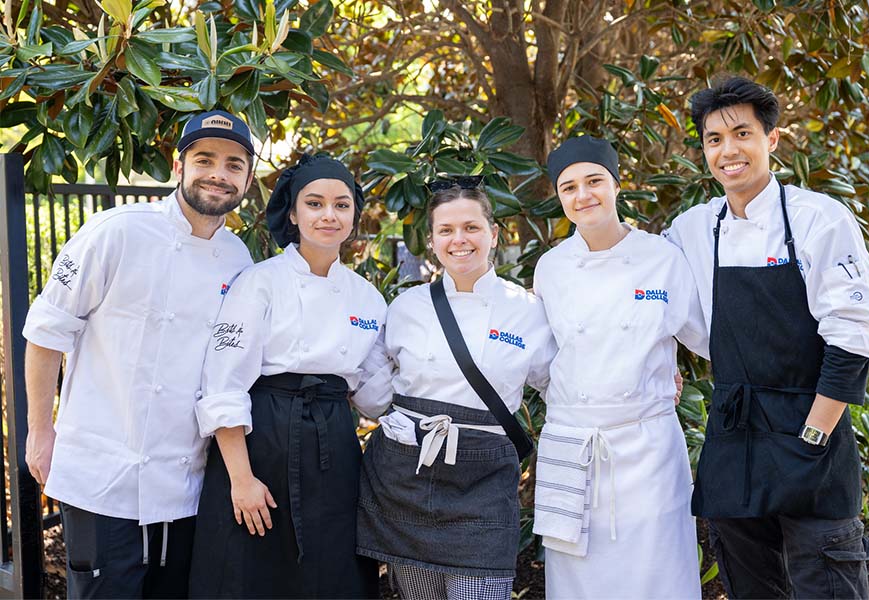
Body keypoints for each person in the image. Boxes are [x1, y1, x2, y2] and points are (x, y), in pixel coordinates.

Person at [664, 76, 869, 599]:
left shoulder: (817, 219)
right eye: (714, 139)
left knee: (827, 581)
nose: (728, 151)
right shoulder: (693, 228)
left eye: (742, 133)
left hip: (810, 429)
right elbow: (643, 290)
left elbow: (852, 335)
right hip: (734, 435)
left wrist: (814, 434)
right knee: (751, 587)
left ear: (773, 139)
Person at [22, 110, 255, 598]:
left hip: (184, 482)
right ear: (179, 166)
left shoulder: (239, 258)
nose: (219, 174)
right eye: (205, 159)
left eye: (234, 165)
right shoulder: (115, 230)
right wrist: (40, 432)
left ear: (248, 180)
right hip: (100, 475)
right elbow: (46, 332)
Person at [187, 154, 384, 598]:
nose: (329, 215)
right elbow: (222, 385)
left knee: (331, 573)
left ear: (354, 214)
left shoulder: (368, 298)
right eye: (314, 204)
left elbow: (376, 395)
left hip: (335, 448)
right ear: (293, 214)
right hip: (262, 443)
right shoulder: (258, 282)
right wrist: (241, 480)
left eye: (341, 205)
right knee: (249, 573)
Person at [354, 181, 556, 599]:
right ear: (431, 241)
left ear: (493, 234)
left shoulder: (527, 311)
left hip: (484, 483)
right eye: (445, 230)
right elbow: (368, 382)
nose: (459, 239)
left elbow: (562, 383)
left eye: (471, 227)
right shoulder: (406, 307)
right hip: (406, 477)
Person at [532, 135, 709, 599]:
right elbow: (543, 359)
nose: (583, 195)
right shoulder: (550, 268)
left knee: (658, 575)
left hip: (649, 447)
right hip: (573, 445)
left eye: (594, 181)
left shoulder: (663, 258)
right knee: (578, 581)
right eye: (569, 187)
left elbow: (706, 337)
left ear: (616, 184)